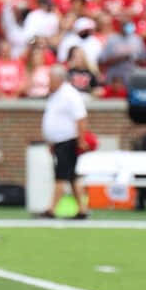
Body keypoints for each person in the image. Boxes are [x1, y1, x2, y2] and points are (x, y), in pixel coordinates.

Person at [39, 65, 89, 219]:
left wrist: (81, 140)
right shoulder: (57, 94)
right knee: (72, 177)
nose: (49, 82)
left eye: (51, 79)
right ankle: (82, 209)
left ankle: (51, 209)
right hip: (59, 142)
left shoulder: (70, 94)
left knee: (61, 176)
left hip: (68, 141)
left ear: (59, 79)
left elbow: (80, 118)